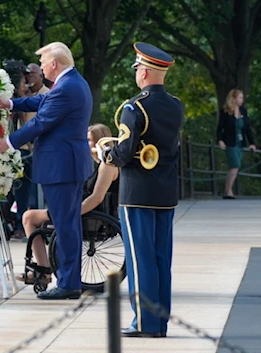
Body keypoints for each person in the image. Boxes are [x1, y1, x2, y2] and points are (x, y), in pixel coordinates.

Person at [0, 42, 93, 300]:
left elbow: (41, 121)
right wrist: (10, 104)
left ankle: (69, 283)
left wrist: (8, 143)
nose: (42, 67)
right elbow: (40, 101)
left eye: (44, 63)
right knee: (67, 223)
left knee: (65, 225)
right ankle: (70, 280)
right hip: (67, 165)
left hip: (62, 167)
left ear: (54, 64)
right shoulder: (72, 83)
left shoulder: (66, 88)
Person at [100, 42, 184, 338]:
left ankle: (144, 322)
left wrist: (103, 154)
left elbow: (123, 154)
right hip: (165, 193)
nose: (137, 73)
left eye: (138, 69)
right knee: (161, 258)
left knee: (140, 259)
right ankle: (159, 321)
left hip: (137, 193)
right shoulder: (176, 105)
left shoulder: (135, 107)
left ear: (145, 73)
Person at [17, 123, 119, 283]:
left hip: (90, 217)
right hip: (83, 210)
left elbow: (96, 198)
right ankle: (43, 269)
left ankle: (43, 270)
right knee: (32, 216)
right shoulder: (99, 164)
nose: (83, 144)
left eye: (88, 140)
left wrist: (70, 213)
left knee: (28, 217)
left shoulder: (107, 165)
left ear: (99, 142)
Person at [11, 63, 51, 239]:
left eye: (32, 75)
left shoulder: (47, 94)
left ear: (40, 75)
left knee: (38, 190)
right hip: (22, 149)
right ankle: (21, 223)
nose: (28, 78)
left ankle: (41, 223)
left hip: (38, 149)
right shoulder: (23, 96)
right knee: (21, 189)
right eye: (26, 75)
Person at [216, 89, 256, 199]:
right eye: (240, 97)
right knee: (235, 165)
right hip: (230, 143)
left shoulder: (243, 111)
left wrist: (252, 143)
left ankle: (227, 190)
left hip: (240, 143)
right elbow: (220, 128)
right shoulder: (225, 111)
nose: (242, 100)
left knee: (235, 167)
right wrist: (220, 140)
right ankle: (228, 191)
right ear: (233, 98)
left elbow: (247, 129)